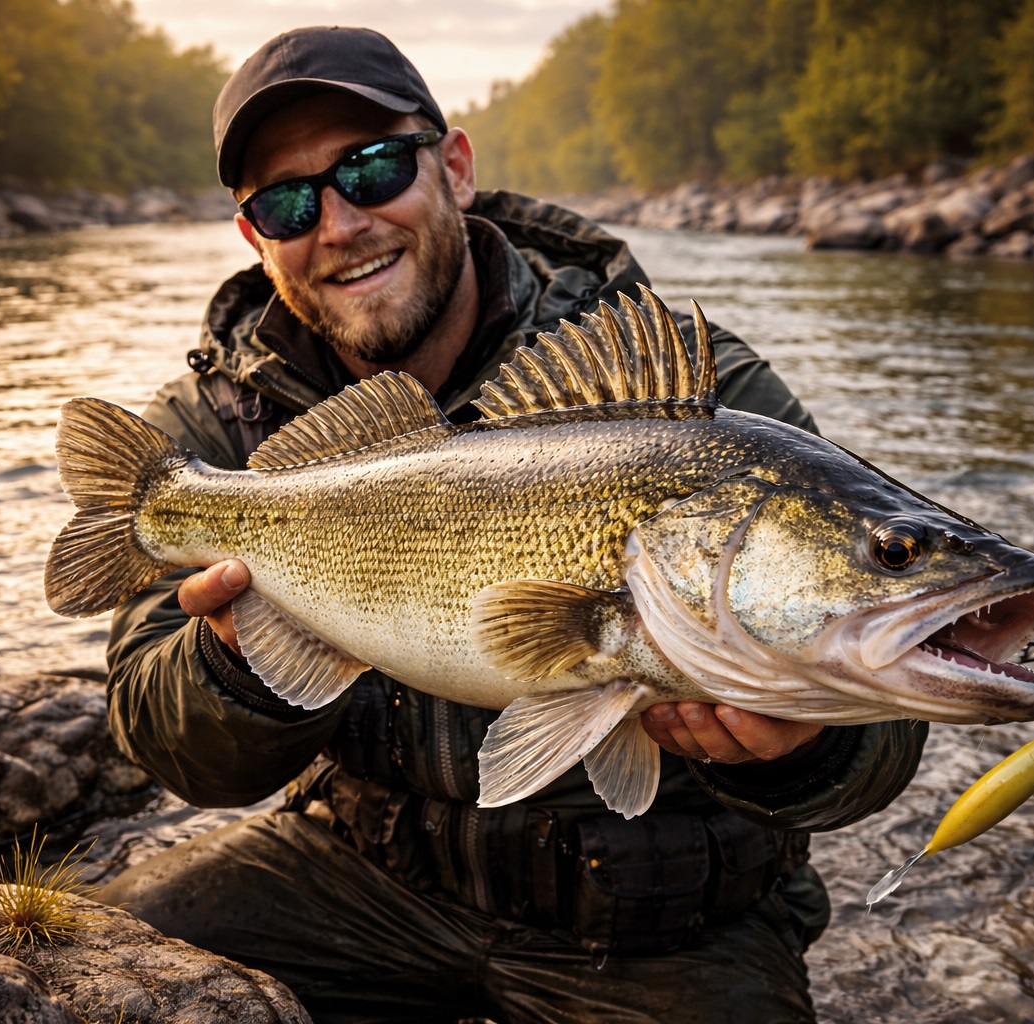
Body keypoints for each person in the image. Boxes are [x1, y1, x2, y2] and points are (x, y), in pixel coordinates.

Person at [95, 26, 927, 1023]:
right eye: (285, 201)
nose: (339, 222)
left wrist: (803, 746)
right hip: (363, 878)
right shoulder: (219, 420)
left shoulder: (693, 392)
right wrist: (239, 665)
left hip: (655, 923)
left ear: (454, 167)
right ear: (254, 237)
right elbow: (154, 727)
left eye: (372, 167)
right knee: (100, 971)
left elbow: (890, 725)